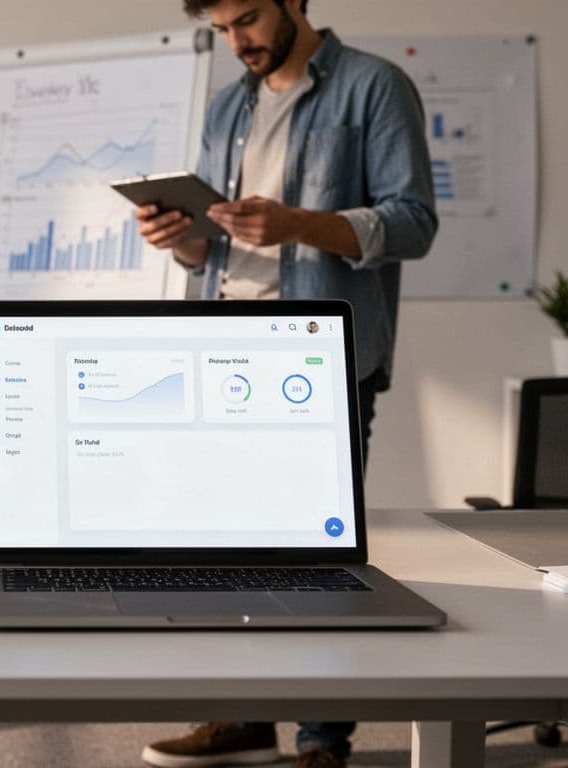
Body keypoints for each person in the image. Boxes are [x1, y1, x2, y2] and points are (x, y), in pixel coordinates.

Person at [135, 0, 438, 766]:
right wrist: (183, 240)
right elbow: (215, 254)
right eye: (221, 30)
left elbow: (413, 223)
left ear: (297, 2)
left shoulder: (375, 86)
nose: (237, 42)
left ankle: (321, 738)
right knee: (212, 548)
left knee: (314, 554)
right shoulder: (227, 105)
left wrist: (299, 224)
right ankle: (241, 715)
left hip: (317, 357)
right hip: (217, 351)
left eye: (248, 20)